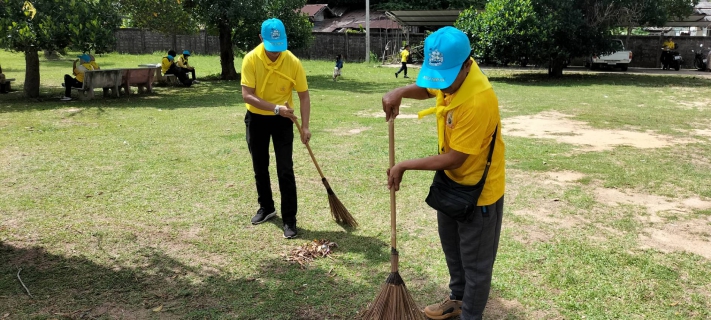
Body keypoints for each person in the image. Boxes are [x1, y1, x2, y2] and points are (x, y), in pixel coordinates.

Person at [382, 26, 505, 320]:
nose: (444, 86)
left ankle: (469, 315)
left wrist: (404, 165)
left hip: (479, 194)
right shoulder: (451, 77)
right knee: (453, 251)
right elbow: (431, 87)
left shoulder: (478, 100)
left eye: (448, 78)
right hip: (451, 186)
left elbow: (455, 158)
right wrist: (400, 91)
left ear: (467, 64)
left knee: (476, 266)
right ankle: (457, 299)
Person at [241, 18, 311, 239]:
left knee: (285, 169)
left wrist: (305, 126)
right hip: (257, 117)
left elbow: (303, 94)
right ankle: (266, 207)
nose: (275, 53)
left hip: (283, 120)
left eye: (279, 46)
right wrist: (275, 108)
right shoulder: (251, 59)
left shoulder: (292, 62)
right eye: (271, 48)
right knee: (260, 166)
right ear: (261, 39)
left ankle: (289, 219)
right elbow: (247, 95)